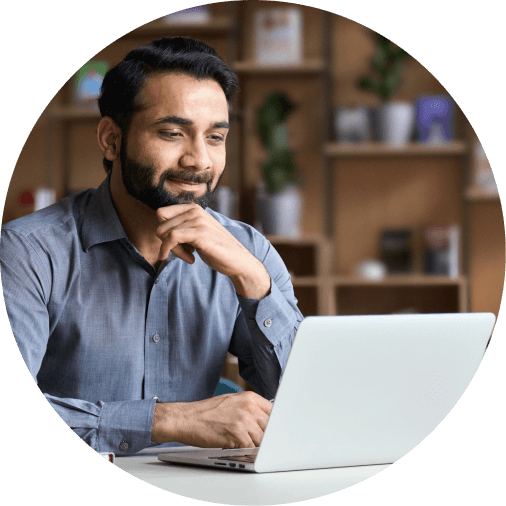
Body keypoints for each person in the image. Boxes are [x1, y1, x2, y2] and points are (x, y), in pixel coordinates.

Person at [0, 37, 303, 454]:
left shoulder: (248, 250)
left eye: (215, 137)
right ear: (111, 139)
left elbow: (307, 408)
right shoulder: (28, 253)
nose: (199, 160)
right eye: (172, 133)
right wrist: (167, 420)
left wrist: (253, 281)